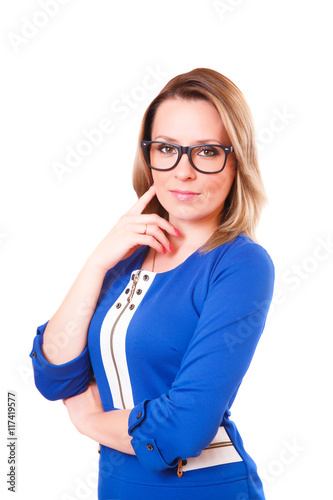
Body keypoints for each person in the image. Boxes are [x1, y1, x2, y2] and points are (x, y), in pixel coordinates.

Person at [30, 68, 275, 499]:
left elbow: (184, 429)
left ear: (236, 160)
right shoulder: (126, 255)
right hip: (119, 486)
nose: (183, 171)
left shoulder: (241, 264)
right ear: (148, 156)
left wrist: (89, 422)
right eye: (167, 149)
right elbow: (53, 373)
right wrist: (97, 262)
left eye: (206, 152)